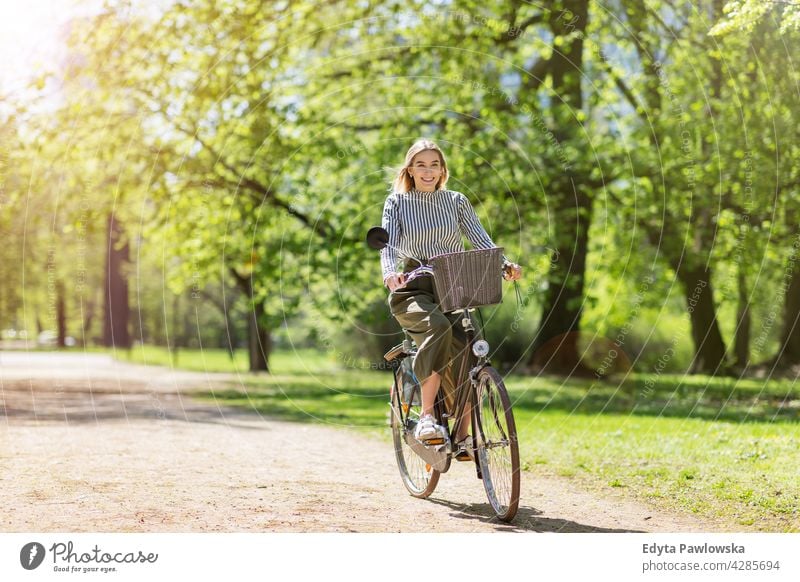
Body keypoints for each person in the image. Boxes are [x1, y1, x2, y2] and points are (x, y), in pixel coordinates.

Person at [380, 138, 522, 450]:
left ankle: (462, 433)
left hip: (454, 284)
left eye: (434, 164)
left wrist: (505, 264)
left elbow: (480, 239)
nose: (428, 171)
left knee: (472, 348)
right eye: (421, 164)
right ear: (410, 170)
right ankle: (428, 417)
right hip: (413, 287)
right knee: (438, 327)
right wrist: (390, 272)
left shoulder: (456, 200)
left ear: (442, 169)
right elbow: (388, 244)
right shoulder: (397, 202)